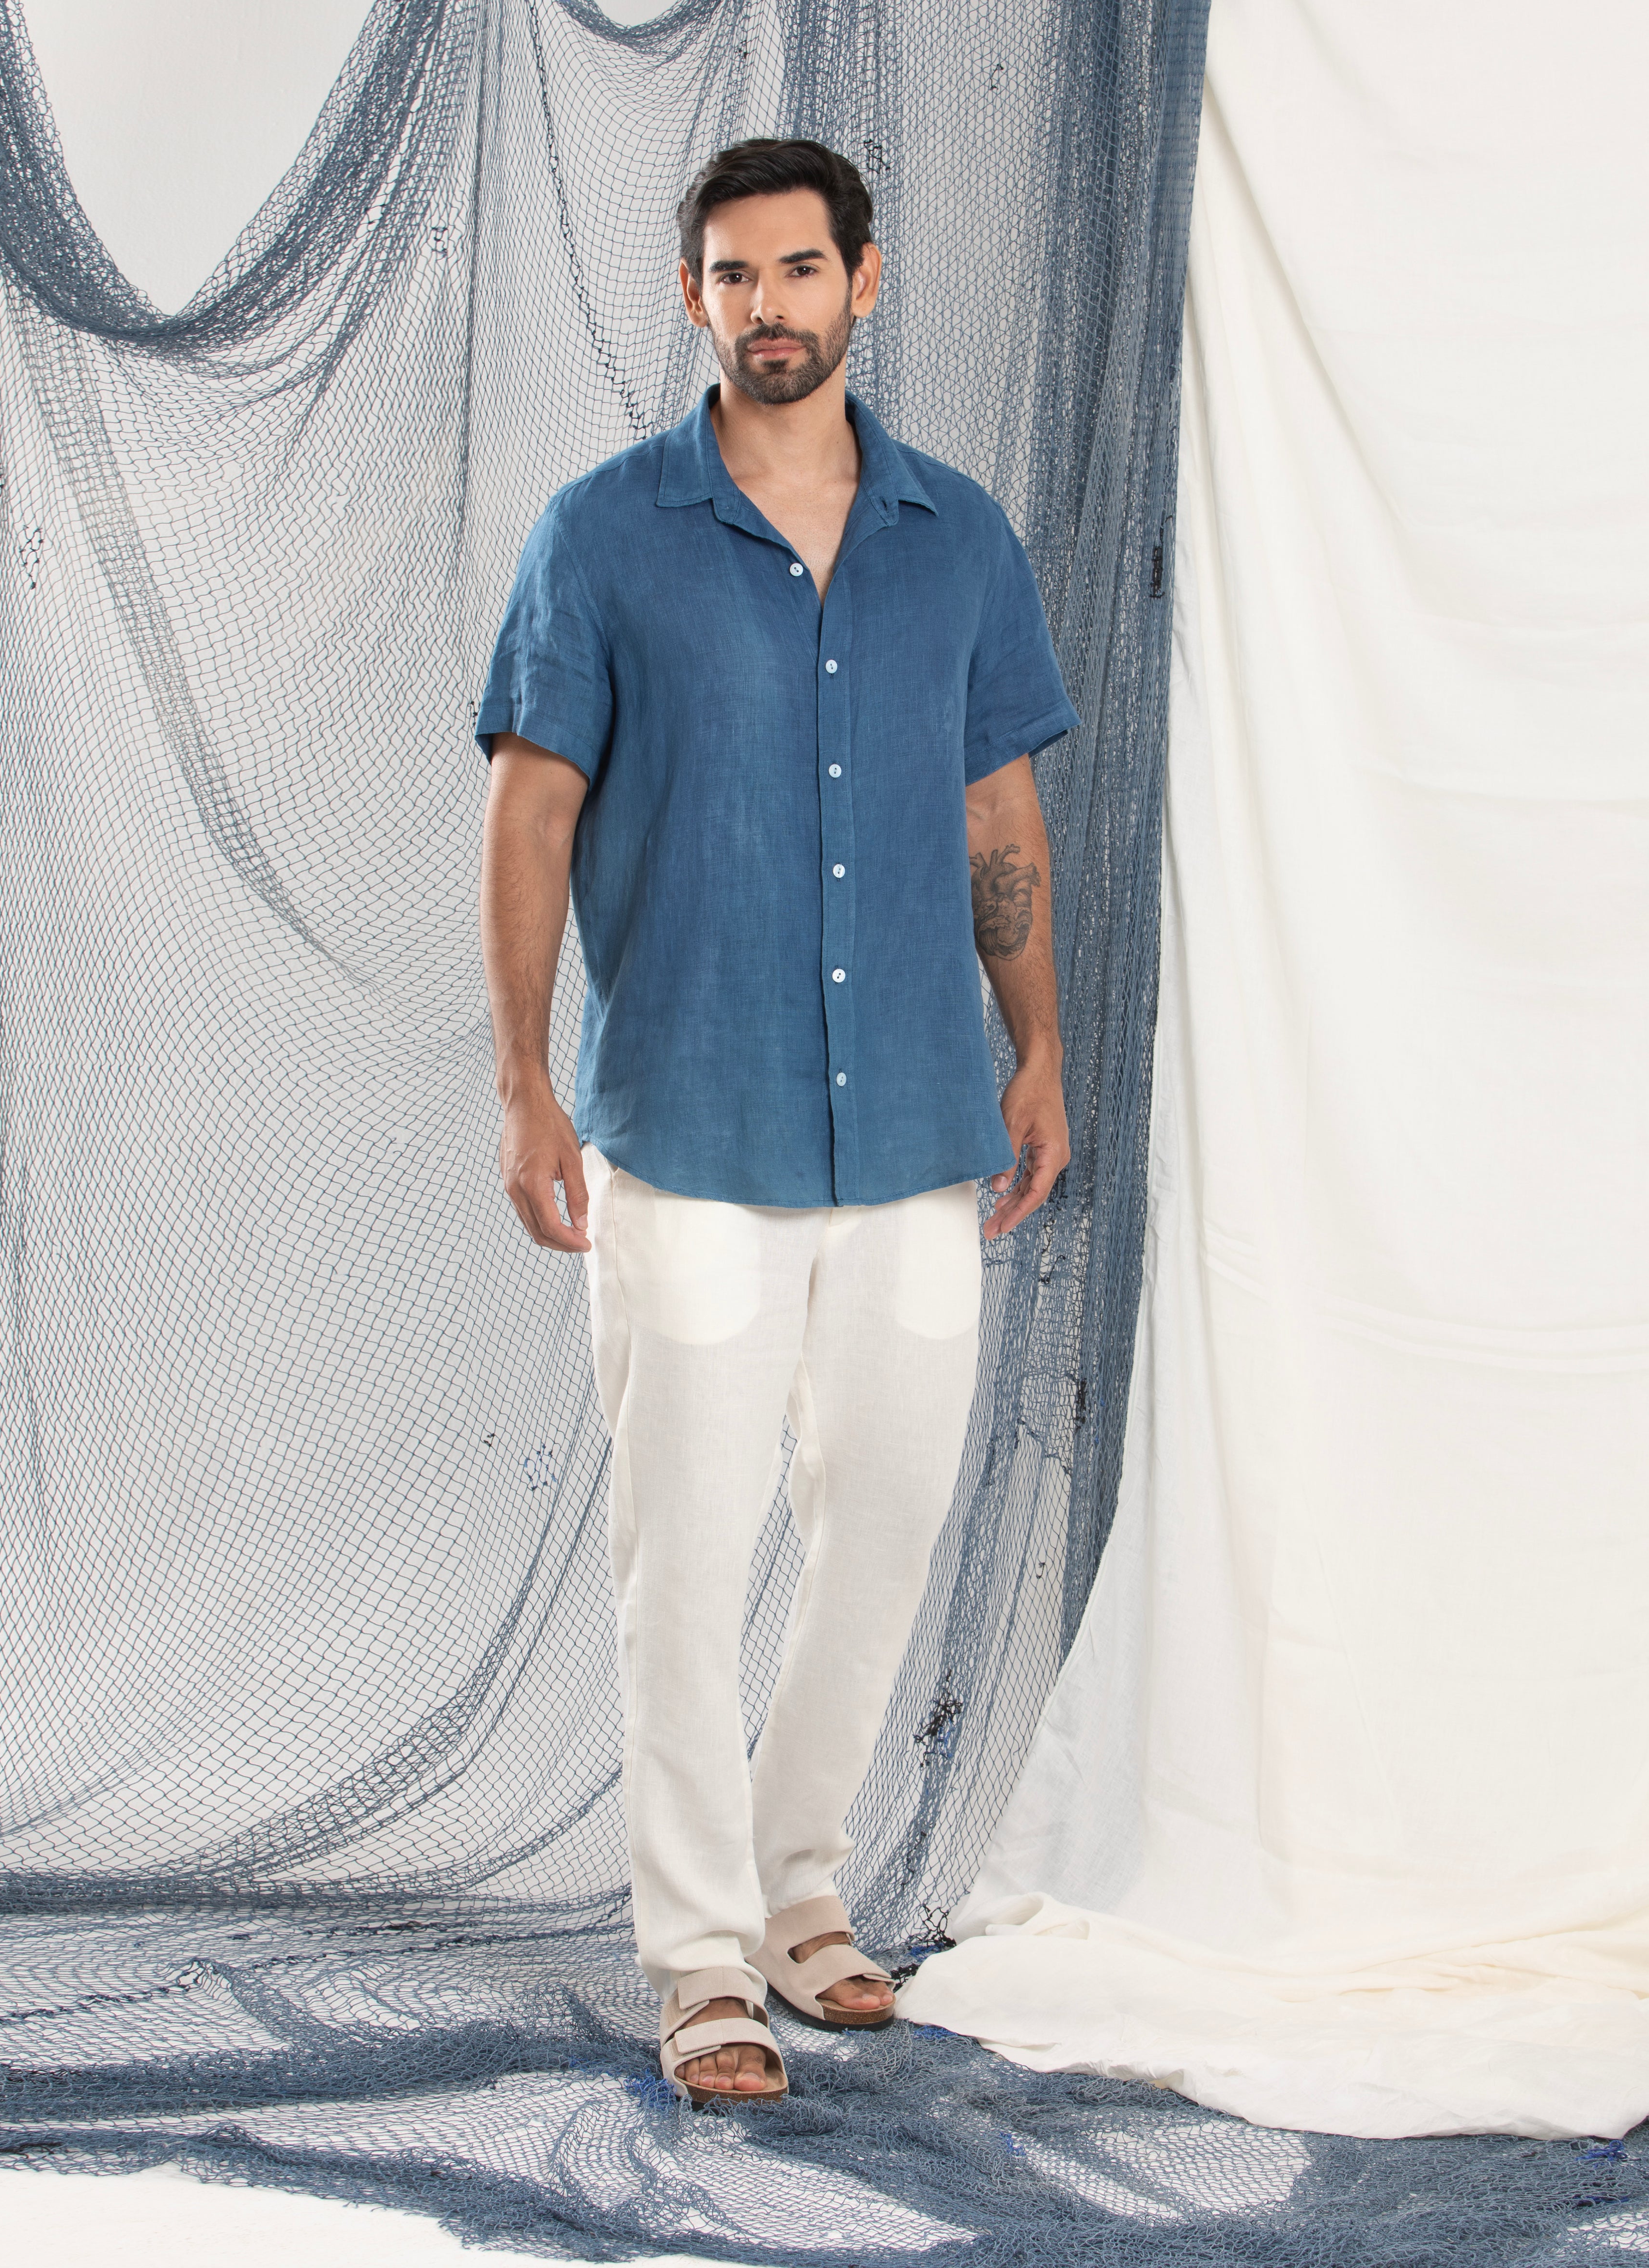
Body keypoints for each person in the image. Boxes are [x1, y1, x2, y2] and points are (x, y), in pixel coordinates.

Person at [476, 138, 1078, 2106]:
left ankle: (800, 1879)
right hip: (689, 1124)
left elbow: (998, 810)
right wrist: (524, 1078)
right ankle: (700, 1955)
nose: (769, 309)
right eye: (733, 278)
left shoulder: (958, 538)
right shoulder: (602, 535)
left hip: (915, 1117)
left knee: (886, 1520)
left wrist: (1039, 1047)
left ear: (864, 281)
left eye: (801, 271)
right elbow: (532, 811)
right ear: (695, 300)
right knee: (682, 1553)